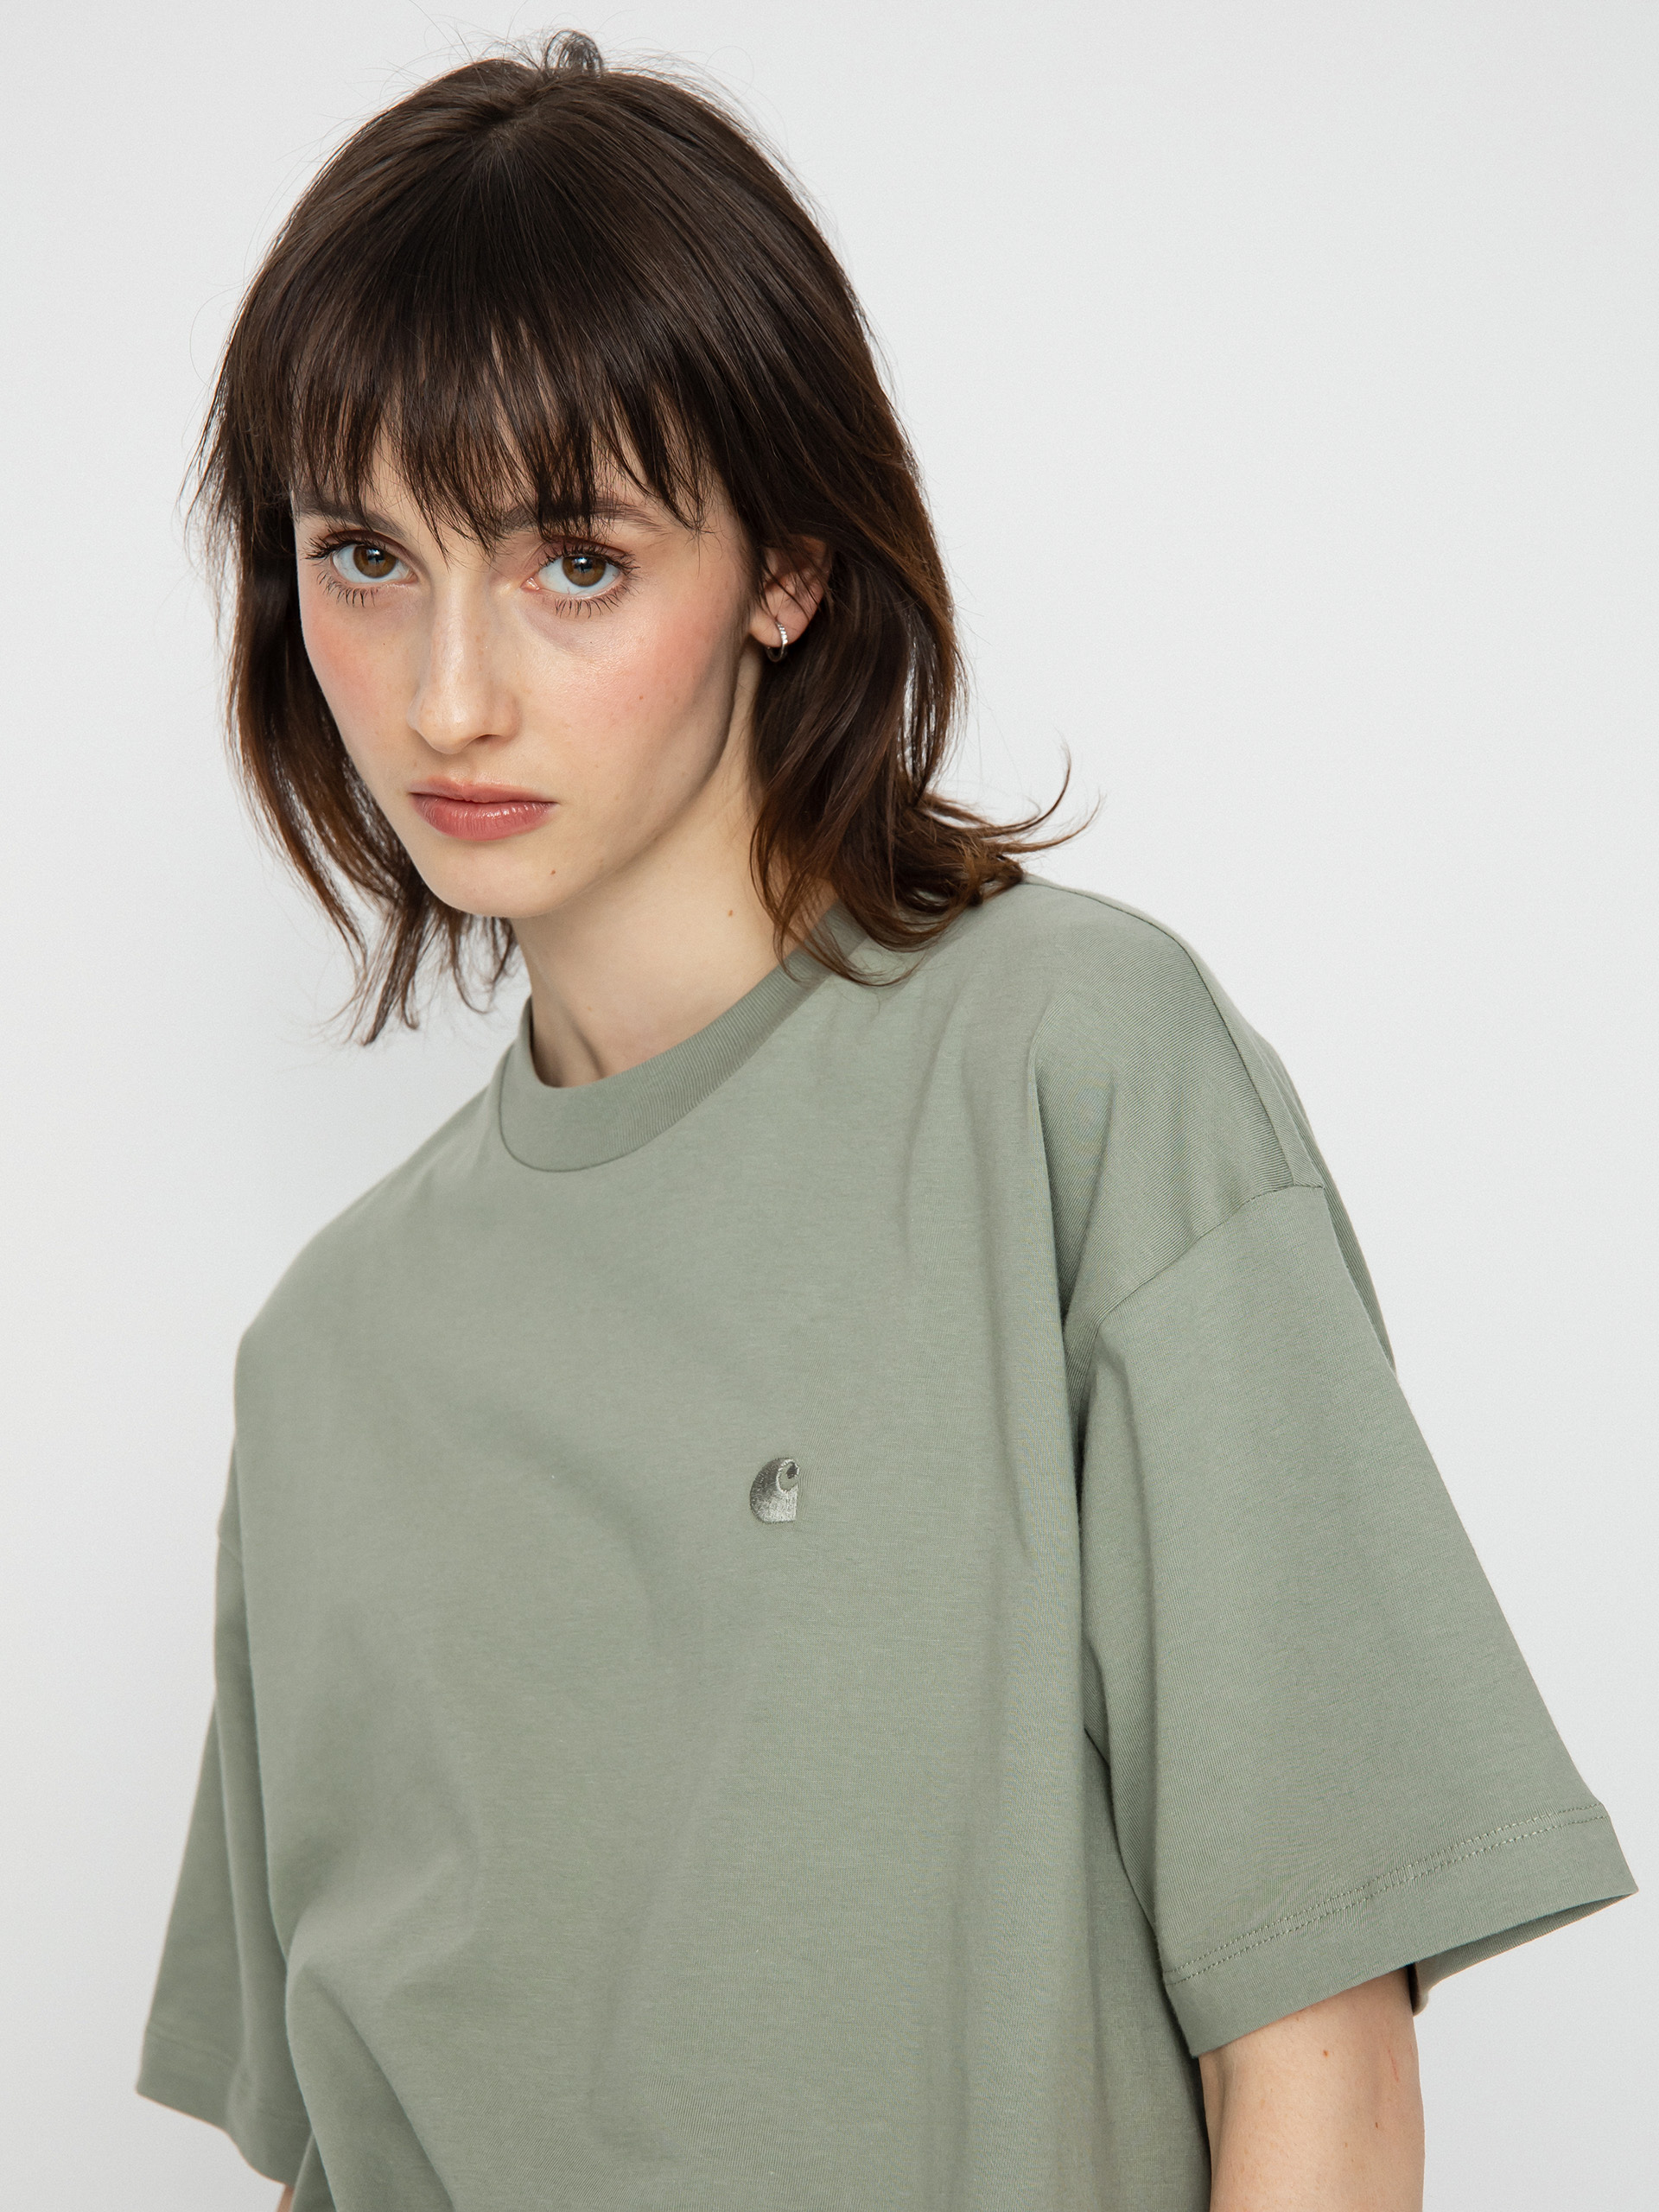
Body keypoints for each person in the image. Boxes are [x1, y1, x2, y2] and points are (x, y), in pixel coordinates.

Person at [137, 32, 1633, 2212]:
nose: (450, 694)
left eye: (574, 560)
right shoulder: (327, 1353)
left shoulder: (1072, 1076)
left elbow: (1320, 2050)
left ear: (789, 567)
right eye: (365, 554)